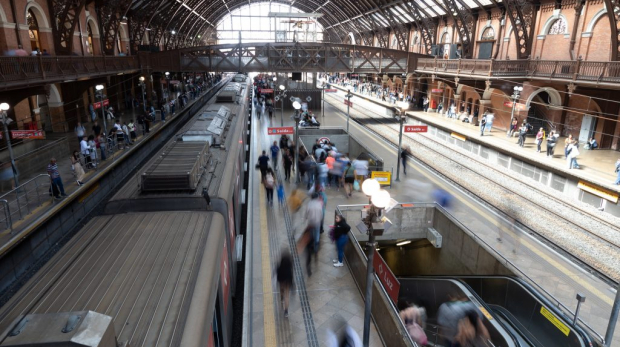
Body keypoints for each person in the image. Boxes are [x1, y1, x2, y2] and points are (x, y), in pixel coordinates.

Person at [276, 250, 293, 317]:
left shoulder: (280, 266)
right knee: (287, 295)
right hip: (288, 281)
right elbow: (291, 276)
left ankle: (281, 296)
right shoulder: (289, 268)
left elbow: (277, 273)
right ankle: (286, 311)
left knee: (281, 288)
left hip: (282, 280)